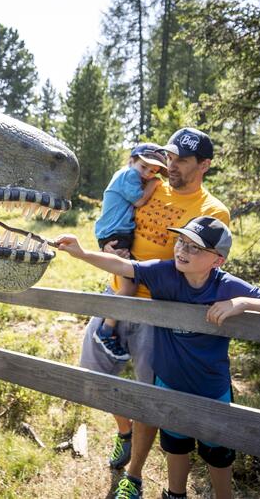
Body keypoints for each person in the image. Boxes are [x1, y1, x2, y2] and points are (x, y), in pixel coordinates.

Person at [57, 217, 260, 499]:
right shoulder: (165, 273)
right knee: (175, 446)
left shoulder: (226, 286)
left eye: (195, 248)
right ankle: (175, 494)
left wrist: (242, 303)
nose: (182, 251)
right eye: (181, 242)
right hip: (169, 383)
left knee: (217, 454)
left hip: (211, 390)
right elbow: (124, 266)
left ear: (218, 260)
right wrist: (82, 253)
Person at [79, 127, 230, 477]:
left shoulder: (212, 211)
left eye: (183, 160)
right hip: (116, 293)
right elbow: (116, 217)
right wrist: (107, 247)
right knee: (94, 374)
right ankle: (124, 432)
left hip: (159, 312)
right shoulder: (152, 186)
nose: (171, 165)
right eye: (171, 157)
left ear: (204, 165)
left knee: (149, 396)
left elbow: (203, 269)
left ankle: (133, 475)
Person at [92, 143, 167, 362]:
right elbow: (140, 200)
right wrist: (154, 184)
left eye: (153, 171)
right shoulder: (128, 176)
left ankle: (109, 328)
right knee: (129, 285)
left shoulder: (127, 175)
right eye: (144, 166)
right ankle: (105, 330)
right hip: (117, 234)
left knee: (128, 282)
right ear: (131, 161)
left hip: (114, 234)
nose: (148, 173)